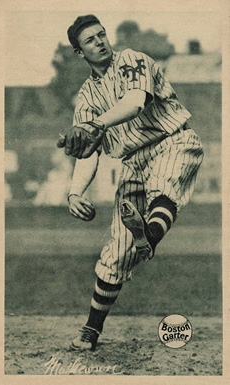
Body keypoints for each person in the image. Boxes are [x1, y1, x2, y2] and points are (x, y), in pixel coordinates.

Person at [57, 14, 204, 351]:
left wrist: (94, 125)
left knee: (163, 187)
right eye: (90, 40)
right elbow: (87, 151)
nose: (101, 41)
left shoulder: (132, 60)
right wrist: (74, 191)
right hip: (132, 162)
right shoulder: (85, 99)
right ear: (79, 53)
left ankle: (147, 234)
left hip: (173, 141)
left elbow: (135, 103)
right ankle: (90, 332)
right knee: (117, 253)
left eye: (102, 34)